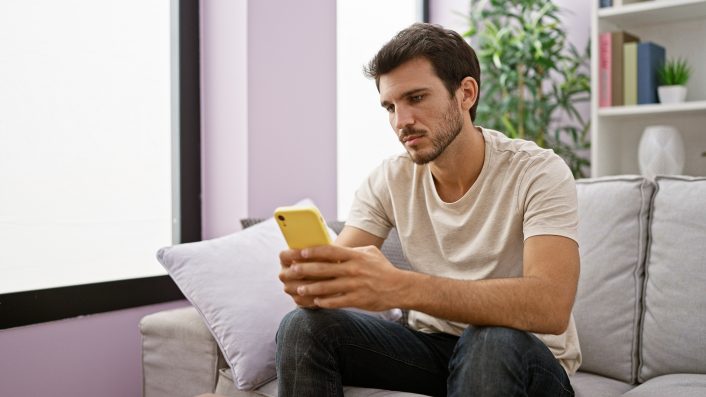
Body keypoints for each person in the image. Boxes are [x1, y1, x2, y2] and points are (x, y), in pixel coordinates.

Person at [276, 22, 580, 397]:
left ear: (466, 93)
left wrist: (401, 287)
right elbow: (342, 269)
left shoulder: (537, 171)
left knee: (489, 340)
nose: (401, 122)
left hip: (523, 356)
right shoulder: (390, 179)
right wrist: (315, 284)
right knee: (302, 326)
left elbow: (550, 306)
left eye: (416, 98)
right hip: (433, 349)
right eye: (390, 106)